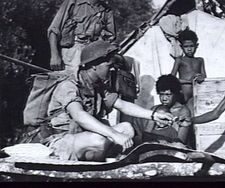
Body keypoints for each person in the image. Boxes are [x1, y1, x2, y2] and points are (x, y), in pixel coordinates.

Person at [22, 41, 174, 161]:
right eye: (109, 65)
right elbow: (79, 115)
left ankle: (105, 156)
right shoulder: (68, 85)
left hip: (83, 136)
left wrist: (153, 115)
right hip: (60, 140)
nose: (112, 69)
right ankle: (105, 156)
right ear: (94, 65)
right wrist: (114, 135)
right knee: (99, 140)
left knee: (127, 128)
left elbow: (122, 105)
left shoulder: (98, 85)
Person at [48, 0, 119, 73]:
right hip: (70, 55)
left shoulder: (107, 12)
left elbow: (111, 40)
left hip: (93, 57)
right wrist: (55, 56)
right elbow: (53, 30)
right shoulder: (73, 2)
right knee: (69, 86)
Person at [132, 75, 192, 146]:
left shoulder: (183, 111)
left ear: (176, 94)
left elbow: (181, 141)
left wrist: (156, 139)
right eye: (161, 94)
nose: (164, 98)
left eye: (168, 95)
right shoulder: (155, 109)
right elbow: (146, 135)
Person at [171, 30, 206, 114]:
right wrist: (189, 81)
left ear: (196, 46)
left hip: (196, 92)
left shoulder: (200, 60)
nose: (189, 49)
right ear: (181, 47)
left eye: (192, 46)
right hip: (183, 93)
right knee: (183, 113)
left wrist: (200, 78)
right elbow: (172, 78)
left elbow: (204, 75)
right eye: (186, 47)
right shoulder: (179, 60)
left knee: (195, 112)